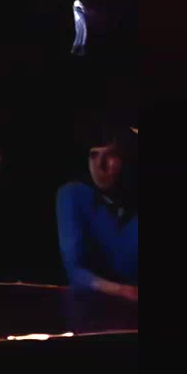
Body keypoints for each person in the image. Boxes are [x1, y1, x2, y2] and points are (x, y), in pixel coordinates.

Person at [56, 123, 139, 301]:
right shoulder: (73, 196)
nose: (99, 165)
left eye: (111, 155)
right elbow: (75, 271)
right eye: (93, 155)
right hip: (90, 309)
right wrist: (125, 291)